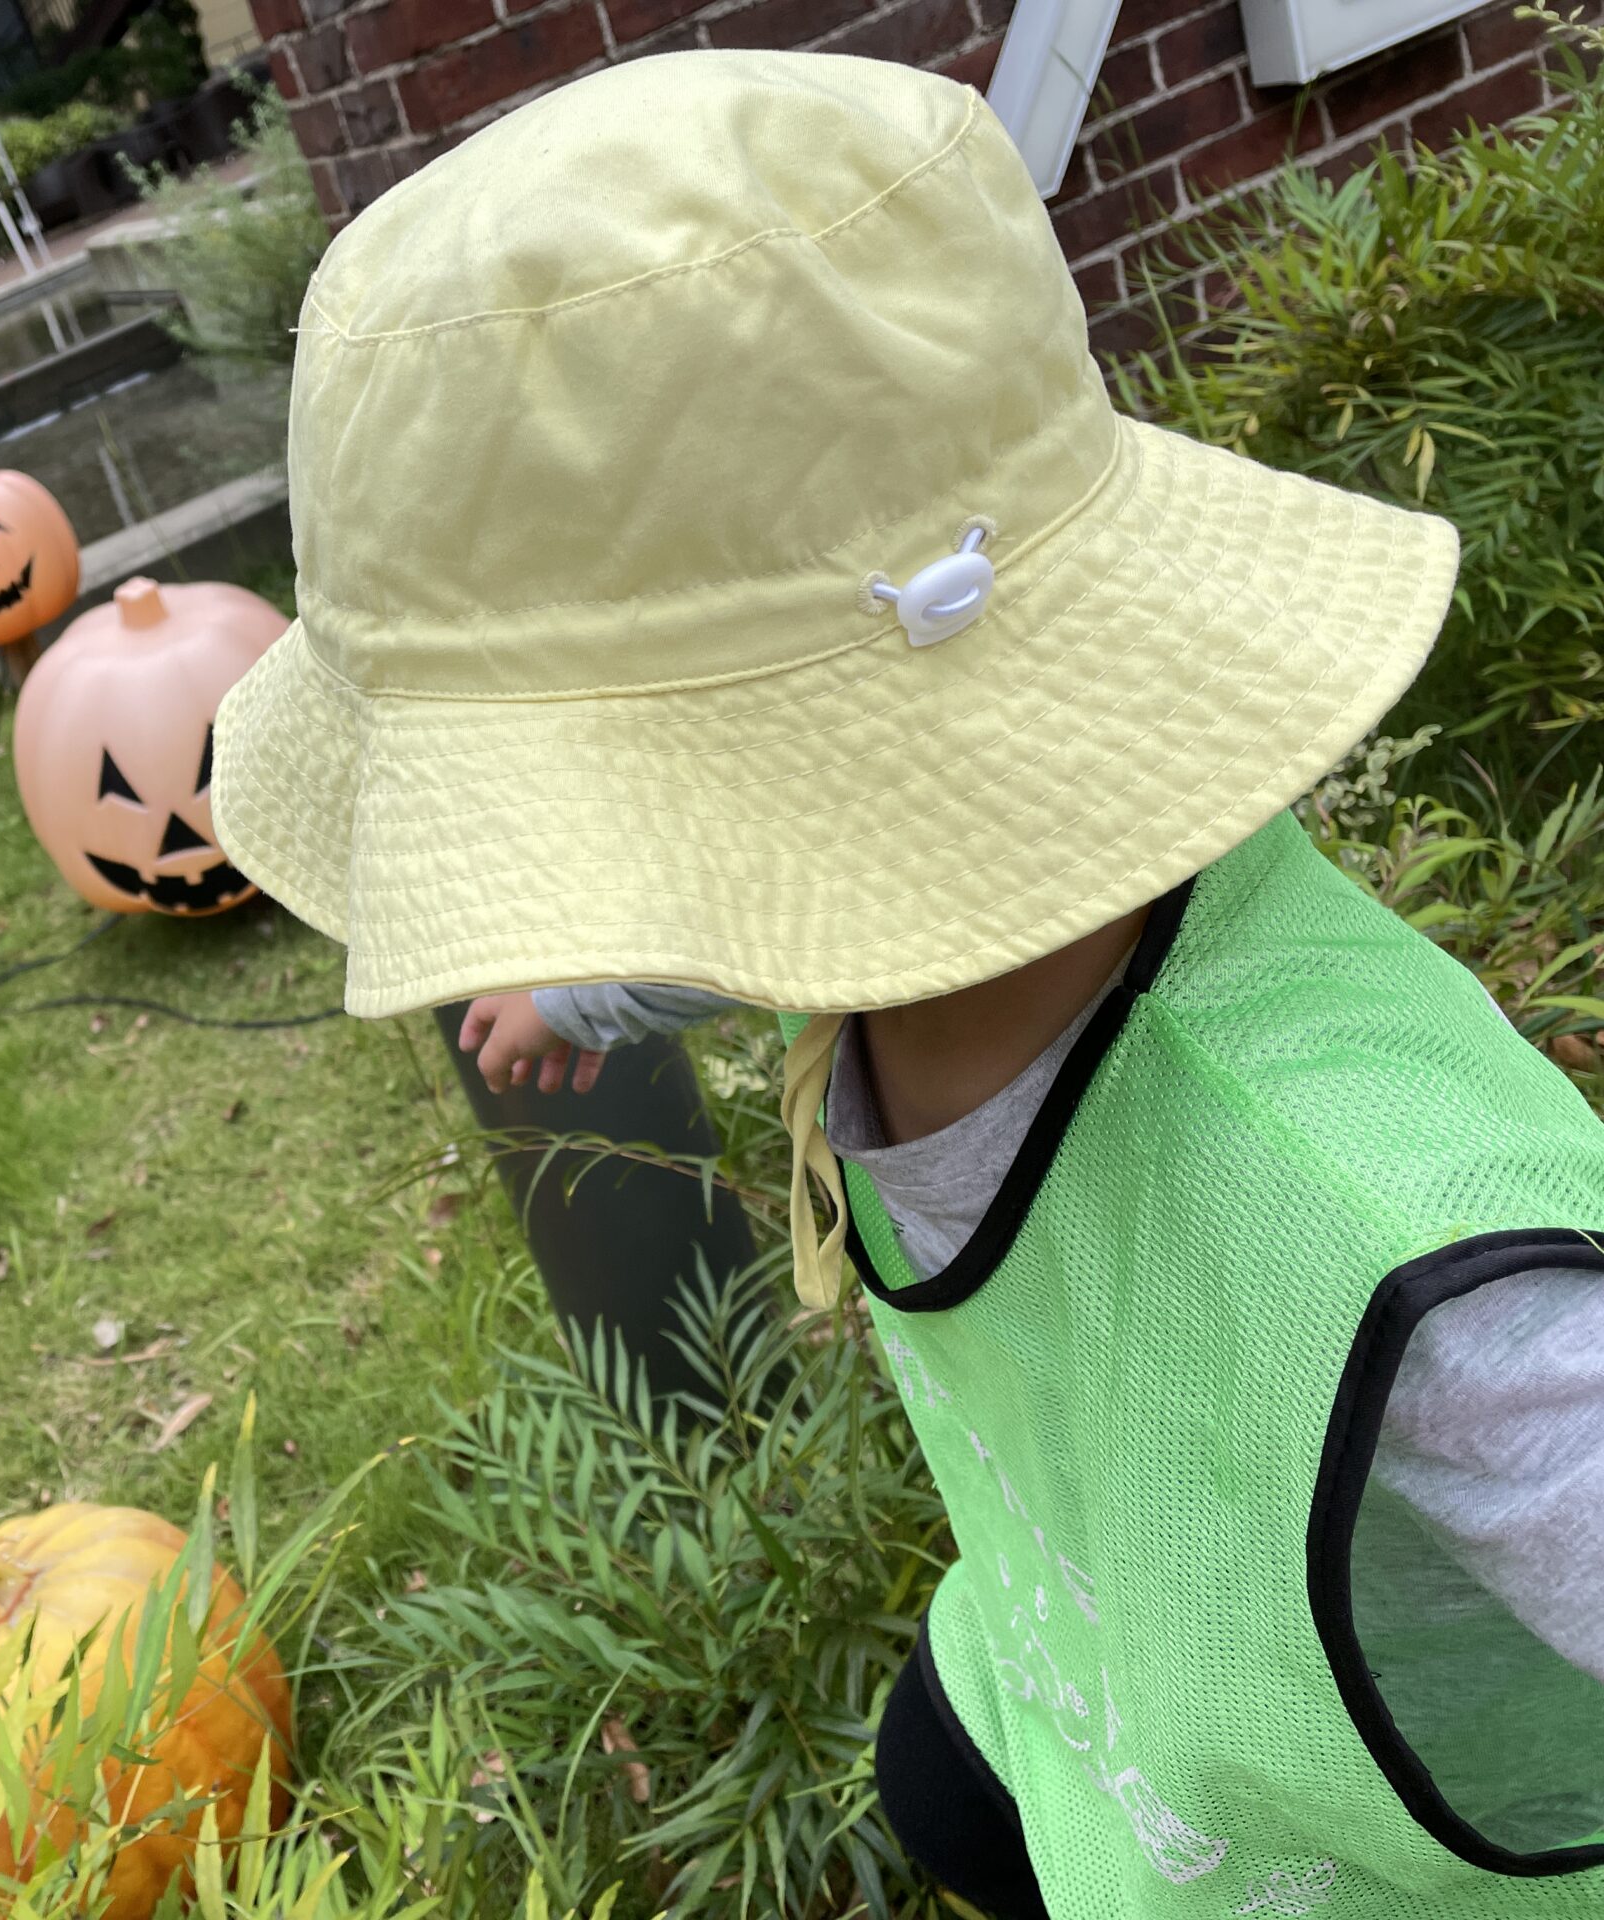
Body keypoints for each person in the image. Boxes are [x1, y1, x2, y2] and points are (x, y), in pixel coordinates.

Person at [207, 49, 1604, 1920]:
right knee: (938, 1775)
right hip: (1102, 1645)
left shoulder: (1401, 1266)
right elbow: (726, 929)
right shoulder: (903, 917)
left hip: (1337, 1851)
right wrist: (589, 1003)